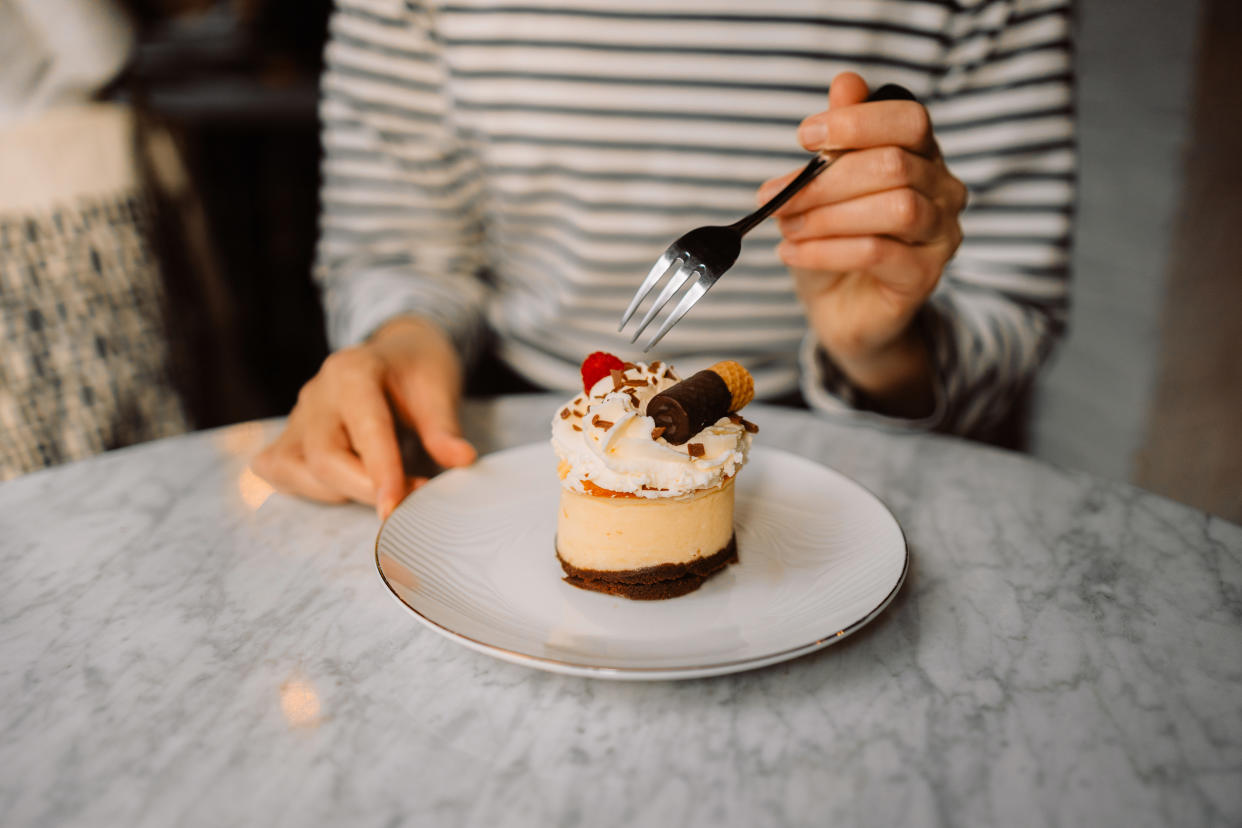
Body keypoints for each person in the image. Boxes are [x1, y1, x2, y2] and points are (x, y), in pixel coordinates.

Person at [255, 0, 1075, 518]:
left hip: (874, 451)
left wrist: (885, 348)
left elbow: (1013, 305)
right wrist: (402, 341)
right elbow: (400, 245)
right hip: (515, 421)